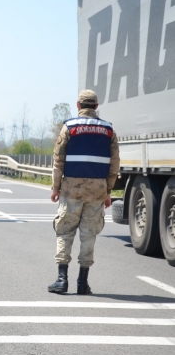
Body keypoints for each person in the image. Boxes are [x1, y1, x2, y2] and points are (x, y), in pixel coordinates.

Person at [48, 89, 119, 295]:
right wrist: (108, 191)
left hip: (72, 188)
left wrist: (55, 188)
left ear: (78, 106)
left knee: (65, 231)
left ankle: (62, 280)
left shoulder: (69, 127)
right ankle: (82, 282)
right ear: (96, 106)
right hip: (97, 190)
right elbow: (114, 165)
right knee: (89, 234)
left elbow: (58, 161)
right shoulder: (109, 130)